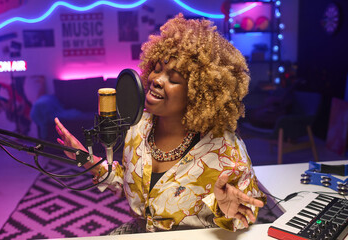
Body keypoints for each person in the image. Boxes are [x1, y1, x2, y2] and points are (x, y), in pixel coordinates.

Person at [54, 13, 266, 234]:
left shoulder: (224, 147)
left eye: (173, 79)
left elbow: (245, 212)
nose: (156, 79)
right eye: (156, 69)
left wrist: (227, 211)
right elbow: (127, 182)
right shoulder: (138, 126)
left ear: (198, 93)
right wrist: (87, 159)